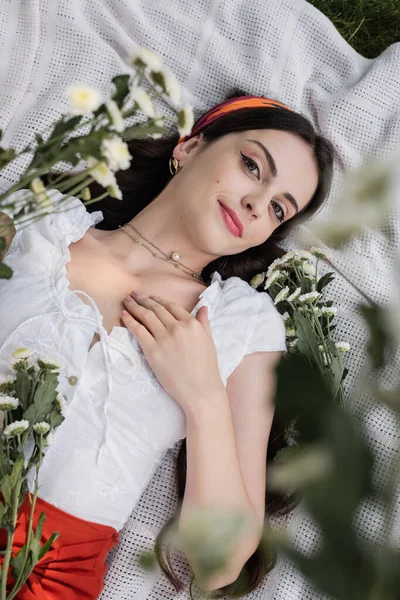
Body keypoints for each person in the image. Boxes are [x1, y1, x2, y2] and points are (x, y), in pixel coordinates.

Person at [0, 90, 335, 598]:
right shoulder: (42, 226)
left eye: (277, 209)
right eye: (251, 166)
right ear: (190, 147)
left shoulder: (240, 325)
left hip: (39, 580)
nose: (255, 203)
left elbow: (218, 565)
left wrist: (203, 397)